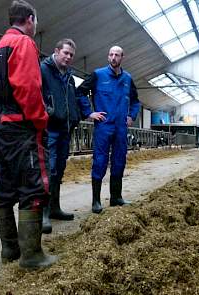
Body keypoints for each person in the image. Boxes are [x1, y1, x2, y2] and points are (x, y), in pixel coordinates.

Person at [0, 0, 57, 268]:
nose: (35, 25)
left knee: (4, 186)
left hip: (0, 123)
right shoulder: (24, 43)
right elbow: (29, 87)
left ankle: (10, 249)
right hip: (21, 125)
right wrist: (40, 121)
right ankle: (32, 255)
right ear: (29, 19)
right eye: (35, 21)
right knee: (35, 186)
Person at [78, 45, 140, 214]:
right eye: (111, 55)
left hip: (120, 127)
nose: (114, 58)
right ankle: (96, 201)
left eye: (117, 55)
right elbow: (80, 92)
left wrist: (131, 116)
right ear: (108, 57)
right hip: (104, 126)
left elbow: (135, 101)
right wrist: (89, 112)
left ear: (122, 58)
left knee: (120, 160)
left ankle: (116, 197)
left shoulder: (127, 79)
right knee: (100, 161)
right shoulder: (98, 75)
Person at [40, 38, 82, 233]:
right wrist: (48, 111)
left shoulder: (70, 77)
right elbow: (37, 95)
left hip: (65, 129)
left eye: (71, 55)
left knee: (60, 168)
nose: (68, 57)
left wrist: (76, 117)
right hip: (50, 128)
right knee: (49, 169)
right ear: (56, 51)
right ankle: (44, 213)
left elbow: (71, 100)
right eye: (65, 53)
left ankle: (55, 207)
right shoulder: (43, 70)